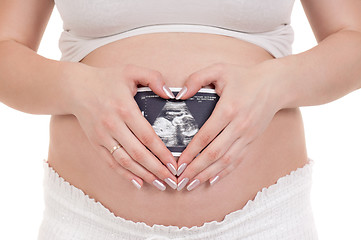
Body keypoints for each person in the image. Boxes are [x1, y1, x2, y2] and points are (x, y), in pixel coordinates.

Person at [0, 0, 360, 239]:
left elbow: (354, 38)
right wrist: (77, 87)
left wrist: (275, 83)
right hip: (89, 222)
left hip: (265, 221)